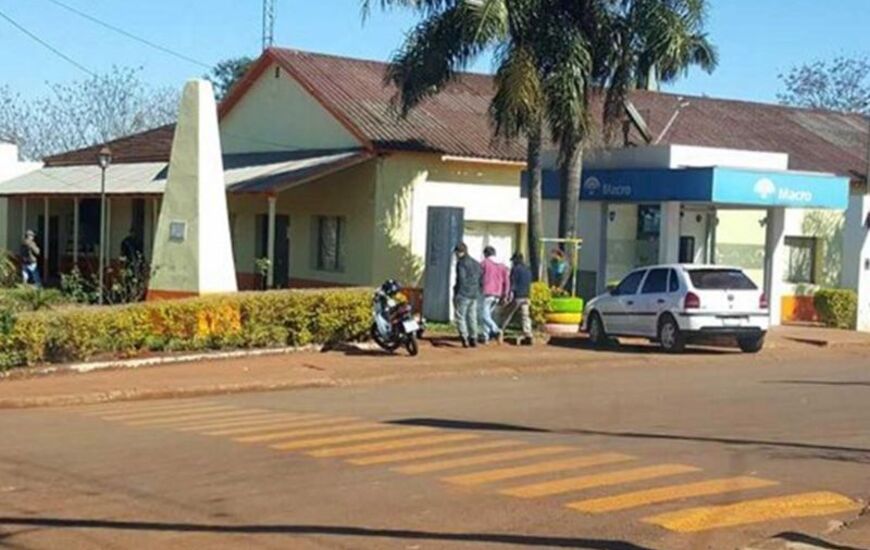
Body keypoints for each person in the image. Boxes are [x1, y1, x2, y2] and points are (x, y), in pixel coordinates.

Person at [453, 242, 482, 348]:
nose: (455, 255)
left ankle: (464, 338)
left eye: (456, 253)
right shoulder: (476, 263)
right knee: (472, 316)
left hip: (463, 293)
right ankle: (473, 338)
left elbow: (461, 279)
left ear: (460, 252)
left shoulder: (461, 263)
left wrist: (457, 291)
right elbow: (481, 278)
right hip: (474, 294)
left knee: (460, 316)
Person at [478, 246, 510, 344]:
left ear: (486, 254)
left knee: (483, 315)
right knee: (488, 315)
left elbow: (478, 275)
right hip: (498, 293)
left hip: (487, 292)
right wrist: (505, 294)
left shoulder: (484, 263)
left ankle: (496, 330)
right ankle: (485, 336)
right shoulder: (502, 266)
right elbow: (506, 281)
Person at [502, 253, 534, 345]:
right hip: (526, 296)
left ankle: (500, 331)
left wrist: (509, 295)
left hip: (518, 296)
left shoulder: (515, 269)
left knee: (507, 314)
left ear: (516, 260)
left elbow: (513, 283)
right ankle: (528, 335)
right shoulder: (527, 269)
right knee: (525, 316)